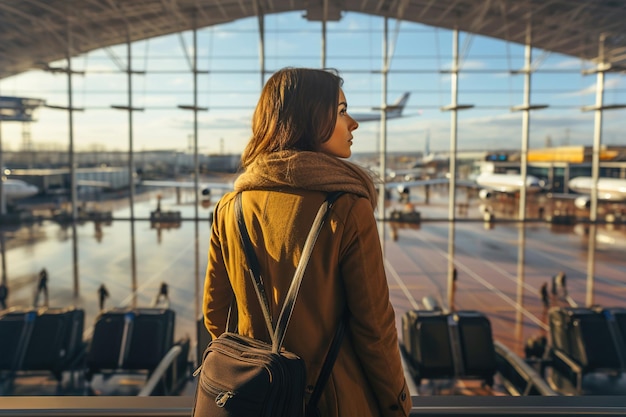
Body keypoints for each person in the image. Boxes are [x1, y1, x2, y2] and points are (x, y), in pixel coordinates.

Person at [203, 67, 411, 417]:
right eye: (342, 111)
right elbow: (374, 329)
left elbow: (215, 315)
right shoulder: (347, 208)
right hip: (333, 403)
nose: (354, 123)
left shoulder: (230, 207)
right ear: (312, 119)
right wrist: (397, 403)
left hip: (253, 401)